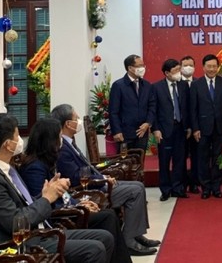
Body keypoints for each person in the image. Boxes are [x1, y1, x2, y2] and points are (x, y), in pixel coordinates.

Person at [0, 113, 114, 263]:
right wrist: (46, 198)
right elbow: (16, 222)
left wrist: (47, 193)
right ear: (8, 144)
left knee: (105, 237)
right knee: (94, 249)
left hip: (38, 233)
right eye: (17, 136)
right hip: (20, 245)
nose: (20, 141)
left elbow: (25, 206)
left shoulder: (4, 168)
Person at [52, 104, 160, 256]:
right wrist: (101, 179)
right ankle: (129, 240)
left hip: (98, 182)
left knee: (138, 186)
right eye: (76, 118)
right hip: (89, 189)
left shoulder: (70, 142)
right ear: (68, 124)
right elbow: (76, 176)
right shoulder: (63, 148)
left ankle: (135, 234)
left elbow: (86, 168)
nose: (79, 122)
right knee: (135, 190)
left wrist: (103, 176)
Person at [19, 118, 132, 263]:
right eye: (59, 137)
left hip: (68, 208)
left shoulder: (47, 160)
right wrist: (76, 206)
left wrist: (78, 202)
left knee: (108, 216)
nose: (61, 141)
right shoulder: (34, 168)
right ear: (49, 140)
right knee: (107, 217)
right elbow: (41, 201)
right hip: (58, 217)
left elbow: (60, 194)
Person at [190, 54, 222, 199]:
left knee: (217, 158)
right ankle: (206, 188)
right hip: (202, 129)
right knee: (202, 159)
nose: (211, 69)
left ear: (217, 67)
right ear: (203, 67)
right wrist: (195, 128)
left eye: (214, 66)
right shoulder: (196, 85)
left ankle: (216, 187)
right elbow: (193, 109)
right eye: (209, 66)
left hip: (220, 128)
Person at [152, 58, 191, 200]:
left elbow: (187, 108)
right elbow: (153, 110)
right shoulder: (156, 87)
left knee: (180, 161)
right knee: (164, 161)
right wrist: (155, 129)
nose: (178, 72)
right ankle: (165, 190)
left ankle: (178, 188)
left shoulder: (183, 85)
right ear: (167, 73)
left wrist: (189, 127)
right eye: (175, 70)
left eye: (178, 69)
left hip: (181, 128)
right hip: (164, 130)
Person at [109, 54, 156, 151]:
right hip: (124, 134)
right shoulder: (118, 86)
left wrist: (148, 122)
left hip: (142, 133)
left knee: (139, 163)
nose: (142, 68)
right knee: (125, 164)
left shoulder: (147, 85)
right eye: (139, 66)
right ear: (130, 68)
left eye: (143, 65)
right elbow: (113, 111)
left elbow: (152, 106)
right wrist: (117, 131)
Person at [180, 55, 200, 194]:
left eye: (190, 65)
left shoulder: (199, 83)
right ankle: (182, 183)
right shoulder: (176, 83)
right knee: (180, 157)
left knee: (196, 157)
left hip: (197, 127)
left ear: (195, 67)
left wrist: (195, 127)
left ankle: (194, 183)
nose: (188, 67)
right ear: (180, 67)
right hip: (180, 128)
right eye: (185, 65)